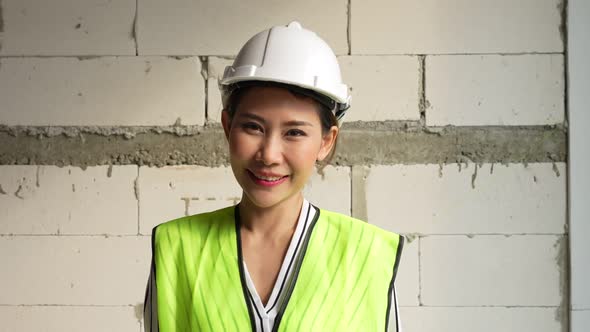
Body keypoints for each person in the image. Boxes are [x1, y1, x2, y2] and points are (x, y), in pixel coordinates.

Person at [143, 21, 404, 332]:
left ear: (325, 141)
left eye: (294, 132)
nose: (268, 155)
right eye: (253, 127)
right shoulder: (177, 248)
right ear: (228, 127)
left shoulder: (369, 255)